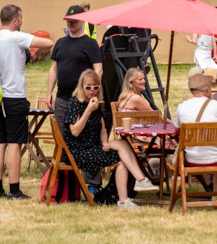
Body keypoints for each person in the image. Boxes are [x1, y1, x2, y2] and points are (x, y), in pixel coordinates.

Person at [64, 69, 157, 209]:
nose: (92, 91)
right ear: (81, 87)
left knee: (123, 144)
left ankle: (138, 182)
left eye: (96, 87)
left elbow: (102, 129)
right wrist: (88, 111)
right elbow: (75, 131)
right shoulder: (74, 103)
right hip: (77, 150)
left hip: (94, 145)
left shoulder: (96, 104)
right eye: (88, 87)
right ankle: (126, 197)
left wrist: (105, 142)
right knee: (121, 161)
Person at [0, 4, 54, 200]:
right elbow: (49, 43)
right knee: (15, 144)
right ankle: (15, 190)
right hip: (14, 97)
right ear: (15, 20)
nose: (22, 22)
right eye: (21, 19)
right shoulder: (16, 37)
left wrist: (31, 56)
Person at [46, 5, 103, 134]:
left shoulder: (90, 43)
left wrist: (93, 93)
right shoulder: (60, 42)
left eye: (74, 20)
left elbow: (98, 70)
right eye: (68, 20)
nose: (70, 23)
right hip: (62, 98)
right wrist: (49, 93)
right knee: (61, 137)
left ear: (82, 20)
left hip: (81, 99)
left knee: (80, 136)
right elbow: (53, 70)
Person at [173, 74, 217, 171]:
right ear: (207, 90)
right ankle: (215, 186)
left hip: (192, 159)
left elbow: (176, 128)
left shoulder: (182, 106)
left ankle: (207, 183)